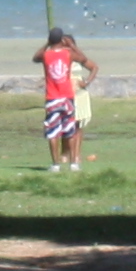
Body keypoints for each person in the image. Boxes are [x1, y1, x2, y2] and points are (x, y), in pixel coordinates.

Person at [36, 28, 92, 170]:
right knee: (70, 130)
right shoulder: (68, 55)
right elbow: (83, 59)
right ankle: (74, 163)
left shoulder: (46, 55)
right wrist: (73, 46)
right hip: (67, 97)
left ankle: (55, 164)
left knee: (53, 132)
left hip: (53, 97)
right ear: (62, 40)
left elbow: (35, 57)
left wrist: (47, 44)